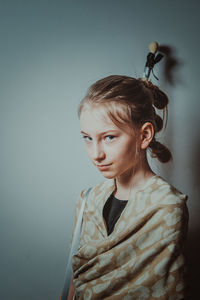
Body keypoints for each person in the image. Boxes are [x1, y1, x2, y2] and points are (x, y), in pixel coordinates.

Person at [66, 75, 189, 299]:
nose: (96, 154)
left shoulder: (166, 207)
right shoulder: (87, 200)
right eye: (87, 138)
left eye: (109, 137)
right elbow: (74, 280)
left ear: (144, 135)